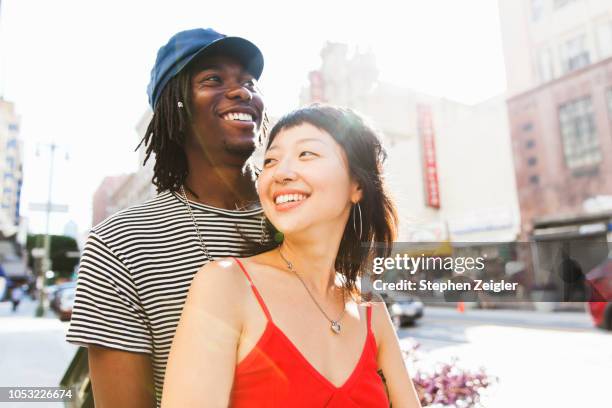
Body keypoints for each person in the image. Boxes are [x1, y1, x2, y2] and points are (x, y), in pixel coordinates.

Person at [163, 105, 422, 407]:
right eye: (270, 160)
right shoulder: (227, 284)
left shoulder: (370, 310)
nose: (280, 173)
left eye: (306, 154)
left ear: (357, 185)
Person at [66, 28, 267, 408]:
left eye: (249, 82)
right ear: (175, 105)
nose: (243, 92)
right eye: (213, 79)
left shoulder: (307, 212)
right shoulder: (118, 244)